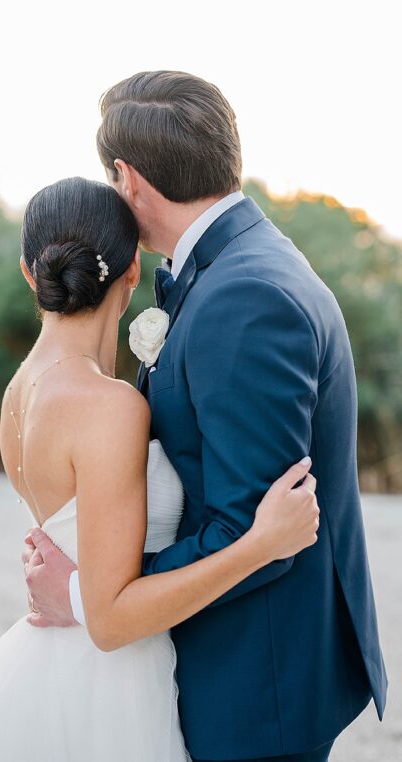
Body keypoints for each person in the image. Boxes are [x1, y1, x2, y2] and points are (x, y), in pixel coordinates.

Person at [24, 71, 386, 762]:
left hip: (257, 686)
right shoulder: (241, 266)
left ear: (127, 180)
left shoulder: (243, 295)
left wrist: (85, 590)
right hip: (247, 669)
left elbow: (260, 533)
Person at [0, 177, 320, 761]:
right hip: (111, 682)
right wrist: (261, 544)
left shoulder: (16, 393)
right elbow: (110, 618)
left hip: (47, 666)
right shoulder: (110, 407)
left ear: (30, 274)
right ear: (133, 269)